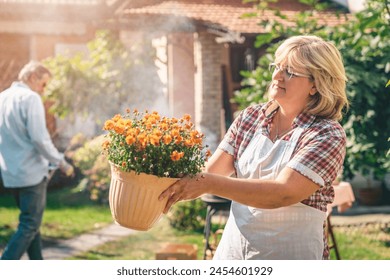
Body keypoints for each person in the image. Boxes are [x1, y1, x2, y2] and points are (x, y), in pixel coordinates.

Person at [159, 35, 349, 260]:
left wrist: (207, 184)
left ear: (315, 85)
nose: (276, 76)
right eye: (277, 67)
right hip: (234, 255)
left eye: (290, 72)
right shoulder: (250, 117)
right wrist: (159, 170)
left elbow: (283, 193)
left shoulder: (326, 133)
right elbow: (210, 172)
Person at [0, 61, 74, 260]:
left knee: (32, 225)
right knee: (29, 225)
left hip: (11, 173)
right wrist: (62, 162)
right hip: (31, 174)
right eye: (43, 84)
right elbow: (39, 138)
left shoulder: (3, 98)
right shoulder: (31, 98)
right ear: (32, 77)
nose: (44, 90)